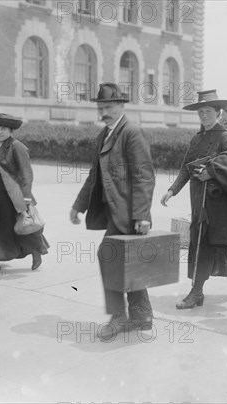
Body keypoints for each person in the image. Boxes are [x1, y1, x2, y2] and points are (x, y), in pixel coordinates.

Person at [161, 90, 227, 309]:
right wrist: (173, 190)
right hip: (199, 201)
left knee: (213, 245)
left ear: (218, 112)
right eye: (201, 111)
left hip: (221, 203)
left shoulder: (226, 135)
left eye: (208, 111)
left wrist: (212, 171)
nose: (204, 115)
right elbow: (186, 167)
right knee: (204, 244)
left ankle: (197, 292)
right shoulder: (197, 139)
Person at [70, 82, 155, 339]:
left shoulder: (131, 132)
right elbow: (94, 176)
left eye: (108, 106)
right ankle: (142, 315)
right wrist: (78, 205)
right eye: (101, 107)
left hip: (128, 213)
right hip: (114, 211)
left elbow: (144, 177)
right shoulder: (104, 135)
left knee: (110, 259)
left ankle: (118, 317)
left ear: (121, 105)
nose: (104, 111)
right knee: (129, 262)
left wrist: (141, 215)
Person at [0, 113, 49, 276]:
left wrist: (26, 198)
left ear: (10, 130)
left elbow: (26, 173)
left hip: (12, 196)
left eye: (3, 129)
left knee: (20, 227)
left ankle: (35, 250)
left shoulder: (17, 147)